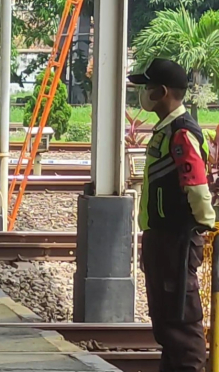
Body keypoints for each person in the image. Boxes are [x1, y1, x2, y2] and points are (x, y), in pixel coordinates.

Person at [128, 58, 216, 372]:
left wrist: (202, 224)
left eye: (148, 87)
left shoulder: (180, 132)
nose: (144, 93)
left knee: (181, 322)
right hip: (162, 239)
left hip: (176, 240)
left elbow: (196, 185)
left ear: (162, 92)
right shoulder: (167, 130)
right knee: (166, 324)